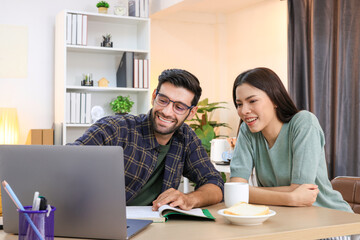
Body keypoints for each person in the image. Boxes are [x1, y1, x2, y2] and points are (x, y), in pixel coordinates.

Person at [69, 68, 224, 211]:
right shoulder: (115, 129)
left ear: (191, 113)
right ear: (154, 96)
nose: (167, 112)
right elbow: (65, 162)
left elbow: (215, 182)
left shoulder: (186, 138)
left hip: (156, 227)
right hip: (102, 220)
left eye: (179, 107)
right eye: (163, 100)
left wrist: (190, 199)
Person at [230, 67, 352, 213]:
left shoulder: (304, 123)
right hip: (285, 218)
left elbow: (303, 191)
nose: (244, 111)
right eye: (239, 104)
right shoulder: (247, 130)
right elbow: (235, 190)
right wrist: (291, 198)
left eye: (252, 101)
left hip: (332, 219)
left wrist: (250, 193)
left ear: (275, 99)